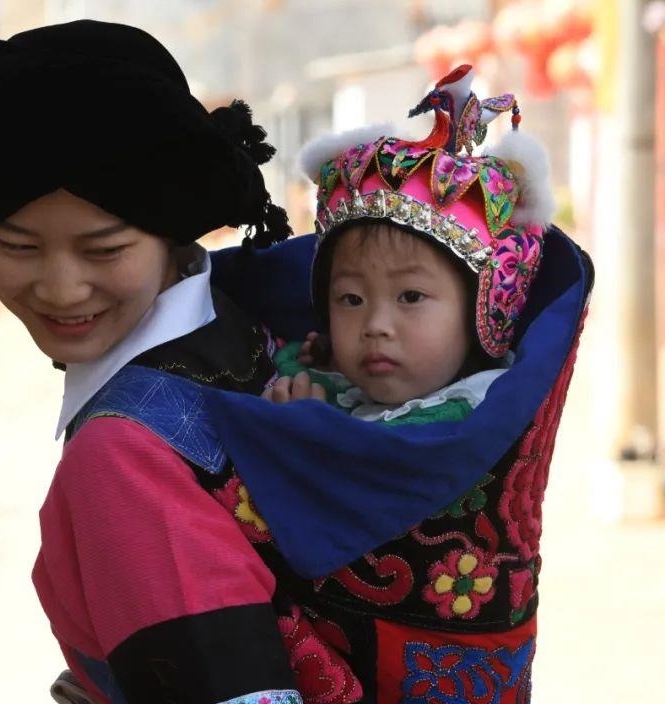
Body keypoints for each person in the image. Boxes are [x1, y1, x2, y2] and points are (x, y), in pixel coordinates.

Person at [0, 19, 339, 704]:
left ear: (173, 233)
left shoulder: (120, 455)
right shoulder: (251, 322)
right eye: (19, 246)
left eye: (104, 249)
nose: (62, 289)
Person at [196, 64, 594, 703]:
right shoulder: (334, 380)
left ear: (482, 314)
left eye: (411, 297)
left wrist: (301, 434)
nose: (375, 325)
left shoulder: (470, 414)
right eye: (350, 299)